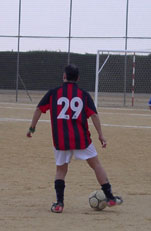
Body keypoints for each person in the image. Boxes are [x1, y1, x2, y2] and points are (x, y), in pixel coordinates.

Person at [26, 64, 123, 213]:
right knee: (96, 165)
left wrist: (32, 127)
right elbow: (94, 115)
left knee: (61, 170)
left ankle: (59, 204)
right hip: (81, 138)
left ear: (64, 76)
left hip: (60, 139)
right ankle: (110, 197)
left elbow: (39, 109)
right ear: (77, 78)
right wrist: (101, 135)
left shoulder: (53, 93)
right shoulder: (83, 94)